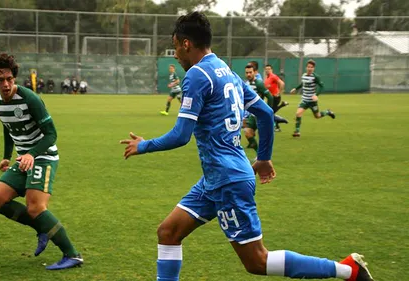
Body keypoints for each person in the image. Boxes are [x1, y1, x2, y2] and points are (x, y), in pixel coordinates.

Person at [120, 12, 373, 281]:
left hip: (227, 180)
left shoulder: (197, 75)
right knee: (168, 233)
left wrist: (144, 145)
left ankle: (348, 270)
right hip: (216, 178)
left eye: (175, 46)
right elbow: (264, 113)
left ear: (186, 44)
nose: (175, 56)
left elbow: (181, 136)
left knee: (256, 260)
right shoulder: (227, 72)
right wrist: (263, 158)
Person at [0, 53, 83, 270]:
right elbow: (7, 124)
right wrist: (6, 156)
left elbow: (51, 134)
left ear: (15, 78)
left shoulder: (30, 98)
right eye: (0, 80)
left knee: (35, 207)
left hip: (44, 155)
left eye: (10, 79)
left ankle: (73, 255)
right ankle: (42, 228)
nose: (6, 84)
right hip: (24, 158)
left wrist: (31, 154)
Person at [290, 60, 335, 137]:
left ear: (314, 68)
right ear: (306, 67)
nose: (310, 68)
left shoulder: (315, 77)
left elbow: (322, 86)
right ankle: (297, 131)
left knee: (317, 116)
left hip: (312, 101)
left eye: (311, 67)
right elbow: (302, 83)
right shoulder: (304, 75)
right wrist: (296, 88)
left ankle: (327, 112)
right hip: (304, 100)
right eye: (308, 67)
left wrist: (316, 95)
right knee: (298, 113)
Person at [264, 64, 288, 132]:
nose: (267, 70)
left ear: (272, 70)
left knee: (270, 112)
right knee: (270, 112)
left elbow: (282, 83)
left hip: (275, 97)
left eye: (269, 69)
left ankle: (276, 125)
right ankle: (276, 126)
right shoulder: (267, 78)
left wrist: (279, 92)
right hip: (270, 99)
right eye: (266, 69)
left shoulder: (273, 76)